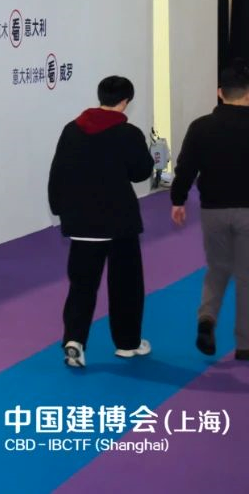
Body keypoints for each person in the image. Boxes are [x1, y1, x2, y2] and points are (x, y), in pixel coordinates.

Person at [48, 76, 155, 368]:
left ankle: (74, 340)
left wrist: (61, 211)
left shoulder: (72, 129)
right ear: (126, 102)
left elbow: (57, 173)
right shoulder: (128, 133)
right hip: (120, 222)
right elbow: (141, 173)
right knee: (126, 286)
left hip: (82, 222)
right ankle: (128, 344)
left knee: (81, 286)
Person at [171, 60, 249, 361]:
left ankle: (206, 319)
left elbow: (186, 167)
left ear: (219, 92)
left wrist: (178, 200)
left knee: (217, 268)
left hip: (213, 209)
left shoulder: (201, 127)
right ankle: (244, 344)